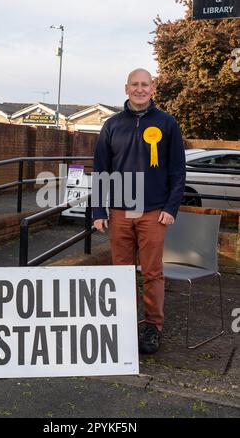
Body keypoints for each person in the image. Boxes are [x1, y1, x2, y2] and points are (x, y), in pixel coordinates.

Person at [92, 68, 186, 354]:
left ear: (153, 88)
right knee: (120, 272)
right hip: (120, 211)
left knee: (152, 272)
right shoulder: (111, 125)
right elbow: (100, 170)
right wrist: (98, 210)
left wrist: (171, 208)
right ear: (126, 88)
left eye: (145, 84)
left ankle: (153, 327)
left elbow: (178, 171)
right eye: (135, 84)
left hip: (154, 212)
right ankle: (121, 323)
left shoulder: (167, 123)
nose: (140, 89)